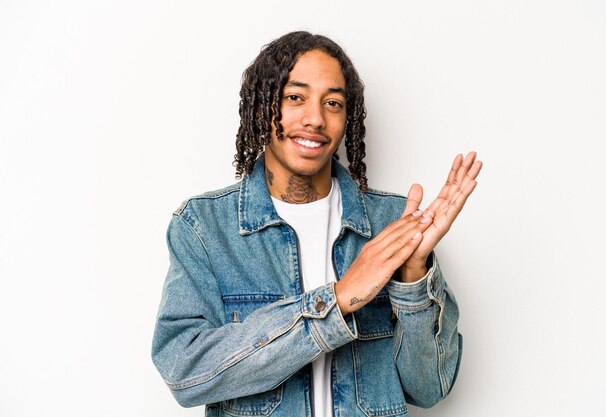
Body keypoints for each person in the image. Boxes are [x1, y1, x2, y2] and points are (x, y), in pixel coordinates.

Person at [152, 31, 482, 417]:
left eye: (333, 103)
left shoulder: (392, 223)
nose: (315, 119)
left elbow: (428, 388)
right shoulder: (205, 227)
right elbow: (185, 371)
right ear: (261, 108)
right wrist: (337, 301)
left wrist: (412, 278)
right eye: (295, 97)